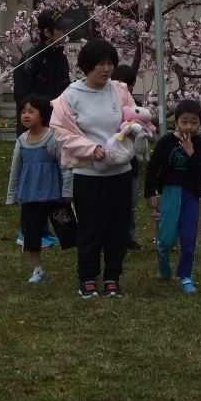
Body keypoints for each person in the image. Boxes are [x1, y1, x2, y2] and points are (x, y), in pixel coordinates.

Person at [49, 38, 138, 299]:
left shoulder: (119, 90)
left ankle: (112, 276)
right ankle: (88, 277)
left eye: (110, 63)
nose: (106, 69)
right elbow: (61, 131)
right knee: (91, 226)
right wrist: (90, 148)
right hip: (88, 174)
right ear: (87, 65)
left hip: (120, 172)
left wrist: (131, 133)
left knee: (118, 227)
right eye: (101, 63)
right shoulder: (70, 96)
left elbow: (131, 118)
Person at [4, 94, 75, 284]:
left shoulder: (53, 138)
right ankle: (38, 269)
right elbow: (16, 171)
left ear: (42, 115)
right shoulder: (22, 141)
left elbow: (65, 166)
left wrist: (68, 191)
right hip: (30, 197)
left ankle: (84, 264)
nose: (26, 115)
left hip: (54, 197)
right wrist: (12, 196)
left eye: (31, 111)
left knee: (69, 232)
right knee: (32, 235)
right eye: (23, 112)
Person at [145, 99, 201, 293]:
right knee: (166, 238)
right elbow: (153, 168)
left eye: (194, 122)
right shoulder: (166, 142)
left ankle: (185, 276)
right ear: (176, 121)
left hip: (191, 194)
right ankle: (163, 258)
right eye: (184, 121)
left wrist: (191, 152)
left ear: (200, 123)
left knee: (189, 238)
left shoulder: (200, 144)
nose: (189, 127)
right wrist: (150, 193)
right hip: (171, 192)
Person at [111, 63, 147, 249]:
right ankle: (113, 236)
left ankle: (128, 236)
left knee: (130, 203)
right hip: (112, 158)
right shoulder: (109, 105)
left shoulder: (136, 108)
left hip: (130, 162)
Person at [12, 9, 72, 109]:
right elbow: (23, 99)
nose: (65, 32)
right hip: (38, 122)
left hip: (59, 121)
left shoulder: (61, 58)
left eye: (65, 28)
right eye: (60, 28)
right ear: (47, 32)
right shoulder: (30, 60)